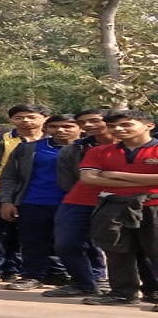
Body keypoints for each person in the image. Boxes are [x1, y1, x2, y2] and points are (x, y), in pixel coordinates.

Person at [77, 110, 158, 307]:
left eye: (126, 124)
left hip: (153, 205)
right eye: (113, 126)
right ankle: (122, 291)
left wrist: (114, 175)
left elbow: (100, 177)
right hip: (113, 206)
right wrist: (145, 181)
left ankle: (153, 291)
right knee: (116, 249)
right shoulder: (100, 151)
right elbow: (88, 178)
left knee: (155, 249)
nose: (118, 129)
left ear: (149, 125)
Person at [0, 114, 80, 291]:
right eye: (54, 126)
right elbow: (9, 176)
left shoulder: (87, 149)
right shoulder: (29, 149)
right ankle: (32, 275)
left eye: (67, 126)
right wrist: (7, 201)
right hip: (34, 202)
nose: (60, 130)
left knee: (74, 243)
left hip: (74, 204)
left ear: (80, 128)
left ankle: (80, 278)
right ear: (47, 128)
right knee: (32, 242)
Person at [0, 104, 49, 286]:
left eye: (31, 116)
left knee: (30, 236)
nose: (26, 121)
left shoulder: (53, 142)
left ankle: (18, 270)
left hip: (35, 195)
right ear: (11, 120)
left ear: (45, 118)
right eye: (19, 117)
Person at [45, 109, 111, 298]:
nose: (88, 126)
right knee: (66, 243)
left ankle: (126, 287)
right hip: (78, 200)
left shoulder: (129, 147)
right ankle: (83, 283)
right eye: (83, 122)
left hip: (120, 201)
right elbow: (66, 180)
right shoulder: (73, 149)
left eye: (94, 121)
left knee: (123, 247)